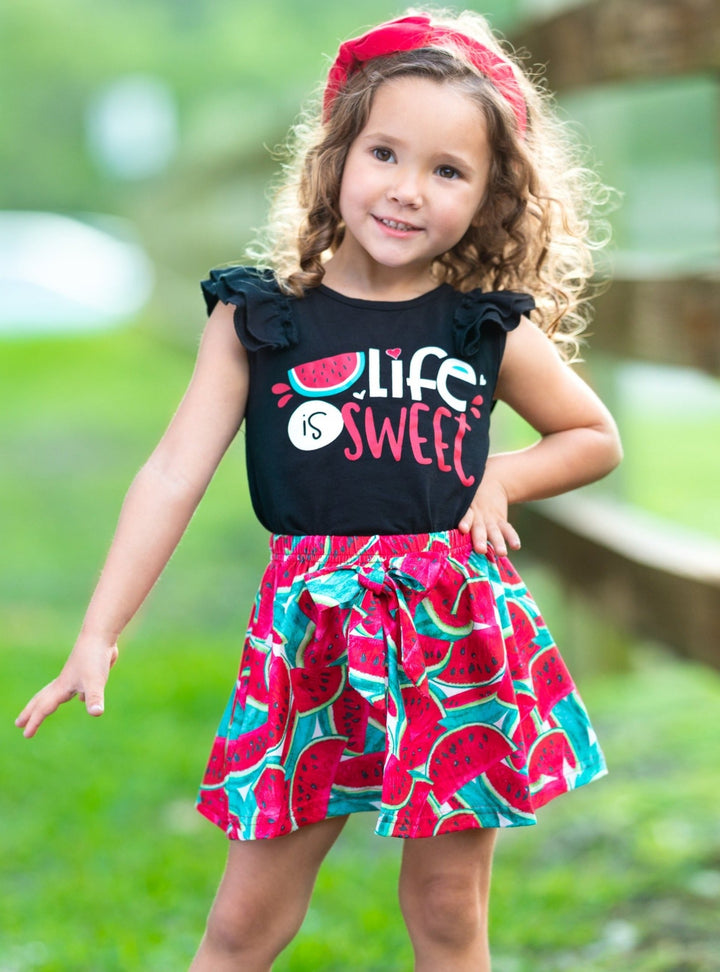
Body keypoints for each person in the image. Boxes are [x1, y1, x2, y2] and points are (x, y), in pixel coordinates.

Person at [16, 9, 622, 971]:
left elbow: (593, 435)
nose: (407, 191)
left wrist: (502, 474)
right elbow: (173, 471)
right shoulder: (260, 320)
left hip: (453, 632)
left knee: (447, 908)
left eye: (448, 170)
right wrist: (100, 629)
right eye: (385, 152)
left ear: (491, 199)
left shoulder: (484, 328)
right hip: (308, 636)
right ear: (337, 154)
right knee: (245, 918)